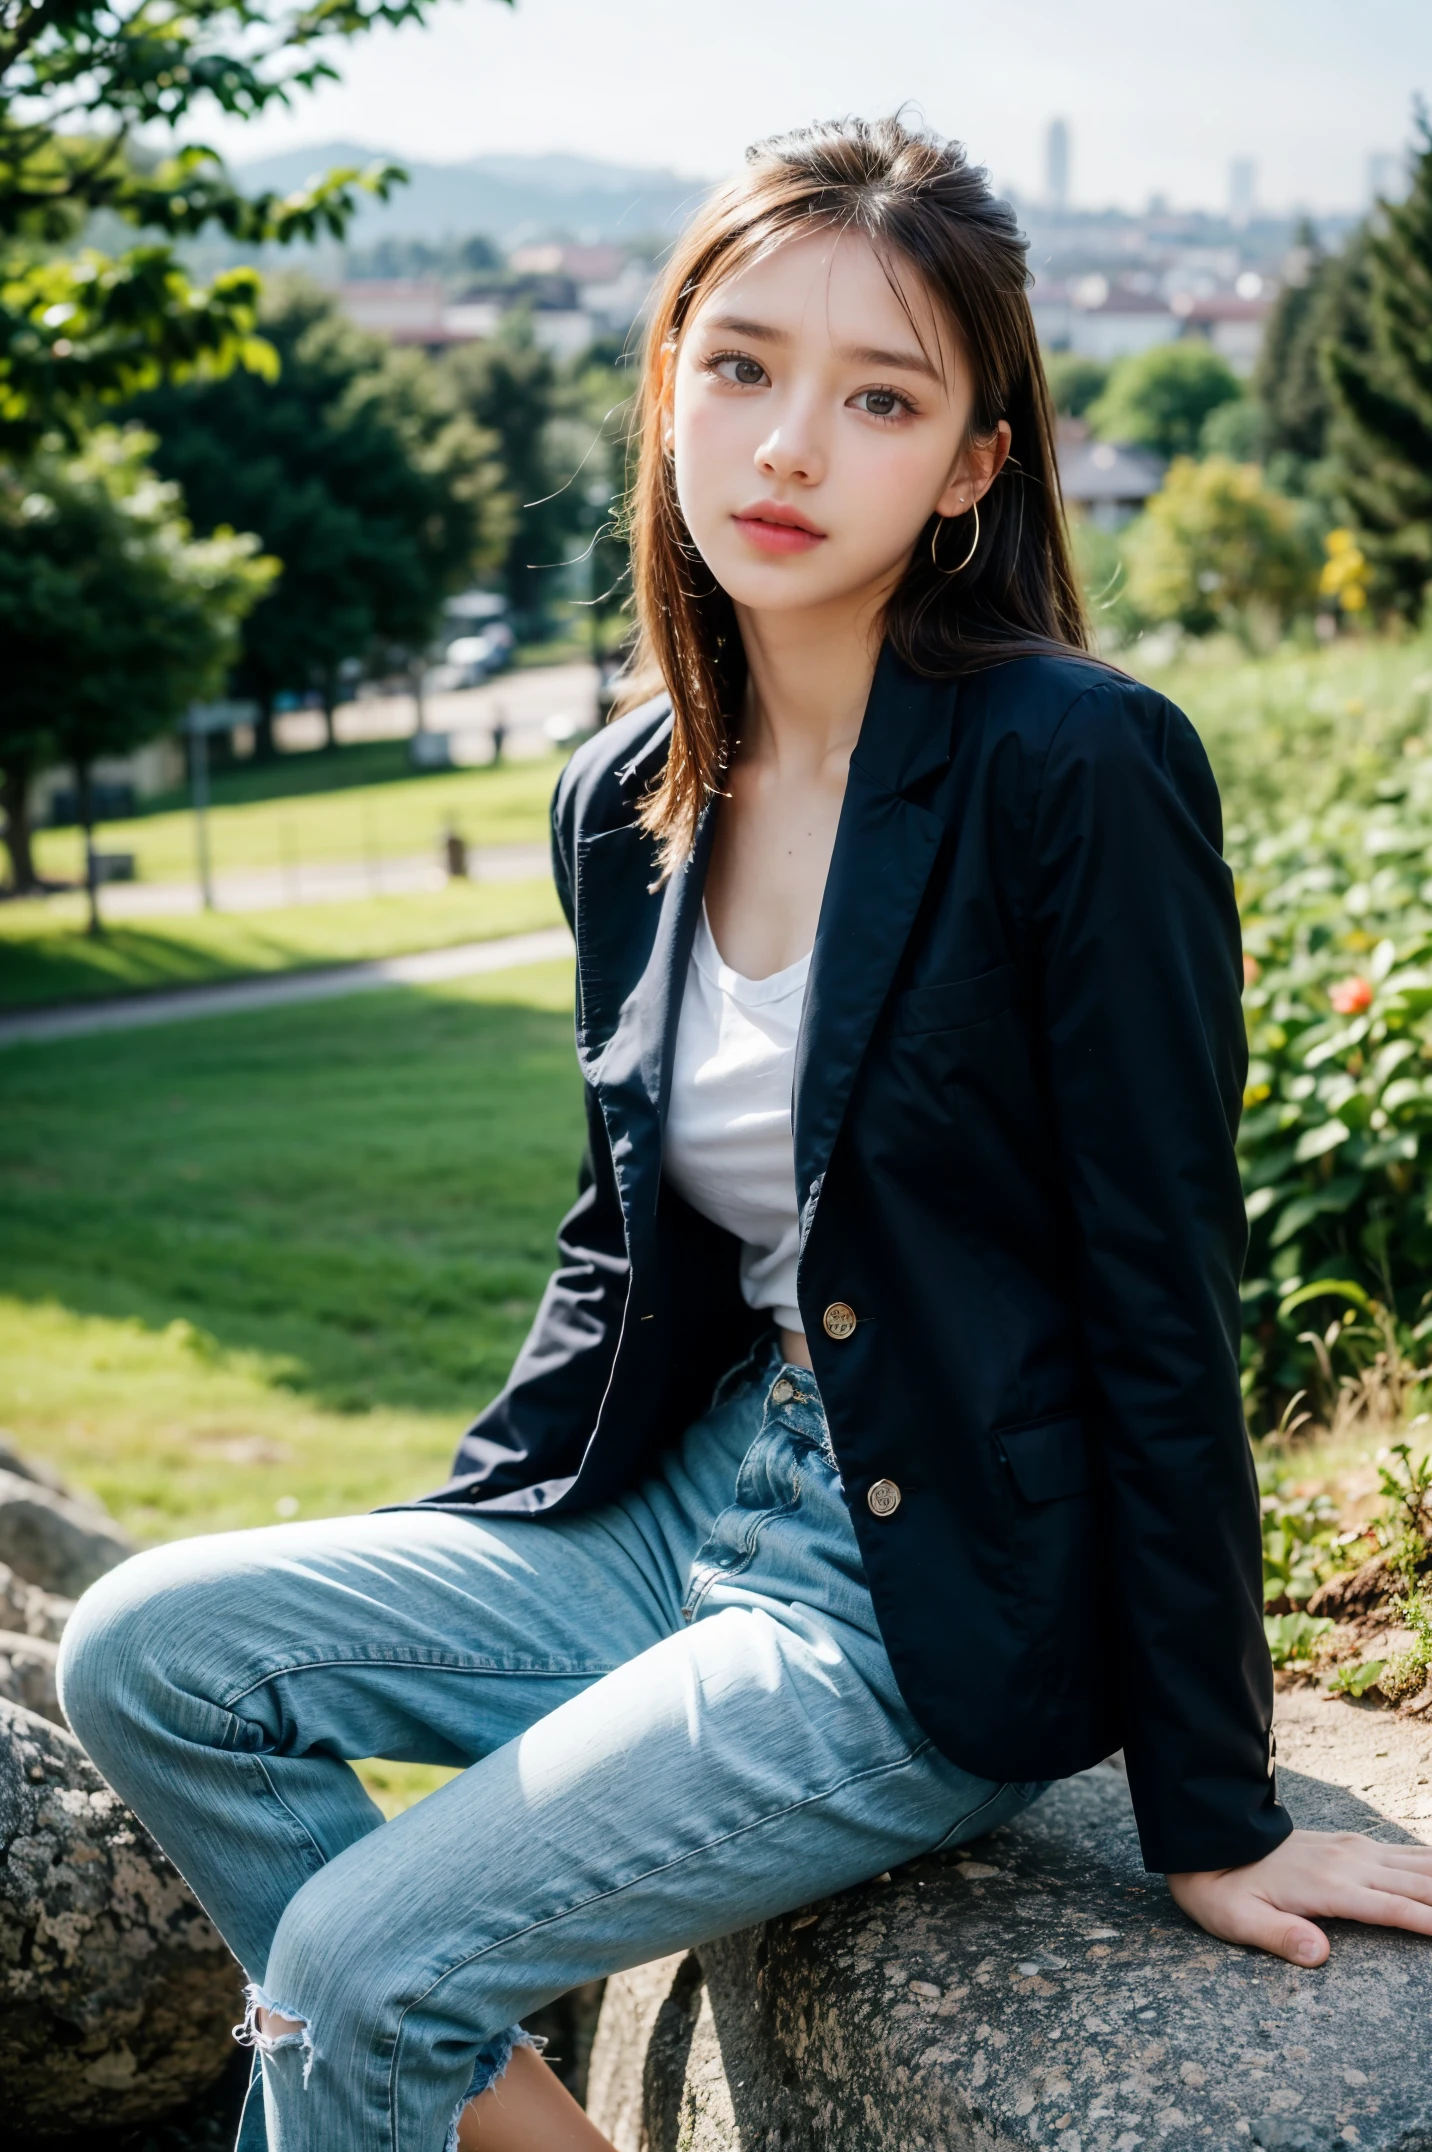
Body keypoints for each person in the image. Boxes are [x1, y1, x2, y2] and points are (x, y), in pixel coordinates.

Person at [58, 116, 1432, 2152]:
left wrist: (1209, 1810)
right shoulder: (624, 791)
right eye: (740, 365)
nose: (787, 445)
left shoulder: (1076, 763)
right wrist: (470, 1542)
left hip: (919, 1576)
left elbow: (1157, 1286)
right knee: (142, 1644)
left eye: (876, 397)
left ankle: (393, 2054)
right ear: (669, 382)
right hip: (673, 1502)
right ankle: (496, 2102)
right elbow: (623, 1239)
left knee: (352, 1964)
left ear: (970, 463)